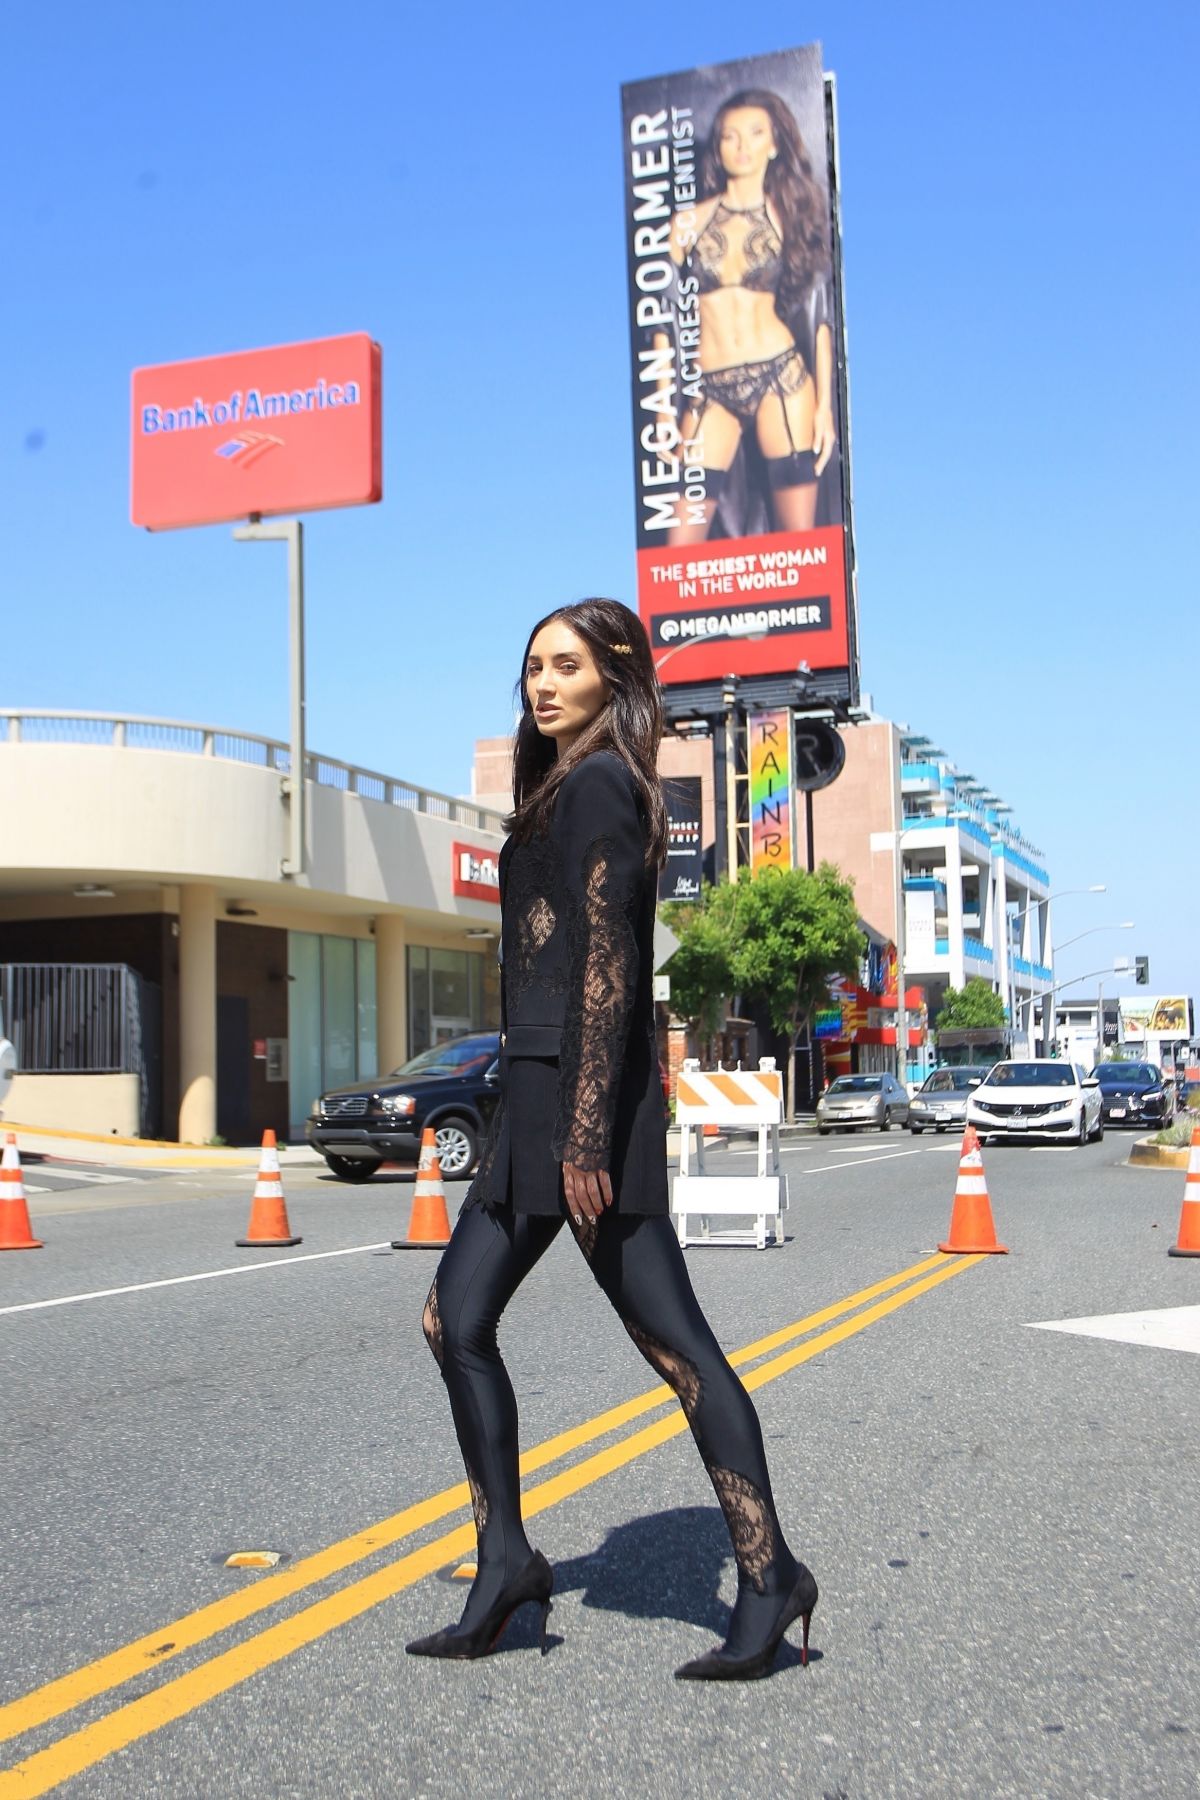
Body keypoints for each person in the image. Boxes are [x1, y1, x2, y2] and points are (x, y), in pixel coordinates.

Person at [406, 597, 817, 1680]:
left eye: (566, 667)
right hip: (533, 1096)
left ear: (614, 676)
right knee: (455, 1317)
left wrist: (587, 1134)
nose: (543, 685)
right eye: (533, 667)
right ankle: (506, 1561)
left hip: (582, 1107)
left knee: (677, 1350)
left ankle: (770, 1576)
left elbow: (610, 969)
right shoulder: (562, 785)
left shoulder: (600, 786)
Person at [658, 88, 837, 546]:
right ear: (717, 146)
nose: (741, 145)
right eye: (729, 136)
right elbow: (659, 318)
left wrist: (825, 407)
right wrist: (661, 407)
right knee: (676, 554)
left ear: (775, 143)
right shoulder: (687, 224)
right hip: (709, 389)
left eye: (755, 134)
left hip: (783, 376)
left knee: (800, 549)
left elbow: (819, 314)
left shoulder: (789, 216)